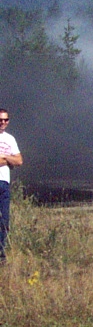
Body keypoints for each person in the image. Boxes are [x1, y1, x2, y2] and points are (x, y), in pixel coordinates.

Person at [0, 108, 24, 262]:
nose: (3, 123)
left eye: (6, 120)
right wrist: (9, 160)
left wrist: (4, 157)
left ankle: (1, 252)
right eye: (0, 120)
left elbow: (19, 161)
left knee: (4, 219)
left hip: (4, 183)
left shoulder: (10, 139)